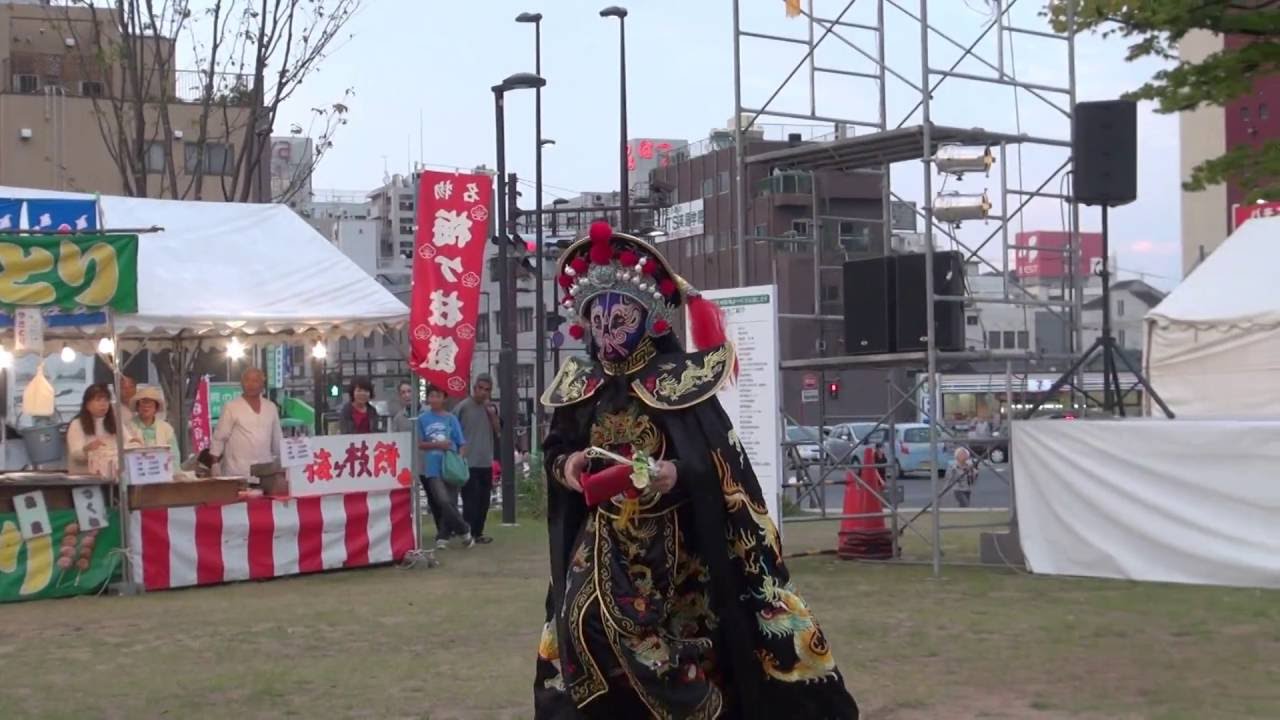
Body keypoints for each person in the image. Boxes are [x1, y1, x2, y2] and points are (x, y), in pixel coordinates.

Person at [534, 222, 858, 719]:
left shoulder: (680, 384)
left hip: (675, 544)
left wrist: (676, 474)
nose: (607, 333)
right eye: (596, 323)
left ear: (647, 319)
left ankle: (702, 710)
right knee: (581, 624)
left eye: (618, 320)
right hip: (600, 537)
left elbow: (722, 466)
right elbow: (557, 447)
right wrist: (569, 465)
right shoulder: (584, 384)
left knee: (653, 638)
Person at [418, 385, 473, 549]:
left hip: (450, 465)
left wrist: (460, 458)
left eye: (438, 396)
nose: (435, 399)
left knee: (452, 502)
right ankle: (464, 530)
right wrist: (439, 444)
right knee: (443, 500)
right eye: (432, 396)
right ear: (427, 398)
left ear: (444, 398)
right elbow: (421, 444)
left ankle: (443, 537)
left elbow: (461, 442)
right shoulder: (422, 419)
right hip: (433, 466)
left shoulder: (451, 418)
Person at [208, 367, 283, 477]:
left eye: (255, 381)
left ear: (262, 384)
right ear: (242, 383)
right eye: (247, 381)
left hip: (265, 470)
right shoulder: (231, 407)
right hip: (237, 470)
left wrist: (284, 460)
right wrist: (214, 464)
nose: (250, 385)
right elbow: (219, 437)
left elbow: (277, 437)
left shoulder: (270, 407)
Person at [452, 373, 500, 545]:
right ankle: (467, 533)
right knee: (470, 500)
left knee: (484, 500)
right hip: (468, 462)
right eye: (480, 388)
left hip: (485, 461)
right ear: (474, 388)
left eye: (487, 390)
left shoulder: (490, 409)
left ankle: (478, 533)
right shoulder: (463, 407)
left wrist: (492, 414)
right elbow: (452, 428)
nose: (483, 393)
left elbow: (498, 431)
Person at [65, 384, 119, 477]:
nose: (103, 404)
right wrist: (87, 449)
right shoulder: (77, 424)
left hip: (113, 478)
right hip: (86, 478)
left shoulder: (116, 422)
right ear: (87, 404)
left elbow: (128, 442)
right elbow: (76, 455)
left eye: (106, 400)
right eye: (98, 400)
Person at [123, 386, 180, 460]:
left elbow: (174, 455)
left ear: (156, 408)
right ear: (137, 407)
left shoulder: (167, 428)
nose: (146, 407)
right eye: (143, 404)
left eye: (150, 405)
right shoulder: (127, 427)